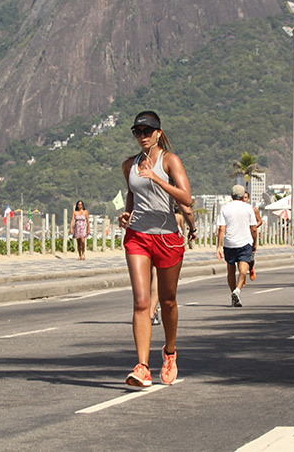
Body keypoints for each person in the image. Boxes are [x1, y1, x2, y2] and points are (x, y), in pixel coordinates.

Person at [118, 111, 196, 387]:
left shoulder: (170, 160)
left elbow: (186, 197)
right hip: (138, 236)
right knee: (141, 302)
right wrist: (126, 215)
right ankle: (141, 367)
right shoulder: (130, 165)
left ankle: (170, 352)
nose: (142, 136)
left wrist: (157, 178)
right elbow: (132, 193)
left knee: (168, 301)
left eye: (147, 131)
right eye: (137, 132)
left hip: (167, 238)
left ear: (159, 133)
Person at [216, 184, 258, 307]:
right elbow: (254, 228)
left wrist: (218, 246)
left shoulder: (225, 208)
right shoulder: (249, 208)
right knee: (243, 270)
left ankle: (233, 295)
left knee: (230, 270)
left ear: (231, 195)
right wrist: (255, 243)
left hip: (229, 243)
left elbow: (221, 228)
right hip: (245, 242)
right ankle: (237, 290)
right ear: (243, 195)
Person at [242, 191, 263, 280]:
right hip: (241, 235)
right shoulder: (239, 209)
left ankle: (251, 268)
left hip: (251, 235)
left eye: (246, 197)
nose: (244, 199)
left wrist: (253, 226)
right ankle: (242, 277)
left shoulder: (252, 209)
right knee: (241, 257)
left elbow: (260, 221)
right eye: (242, 197)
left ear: (248, 199)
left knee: (251, 257)